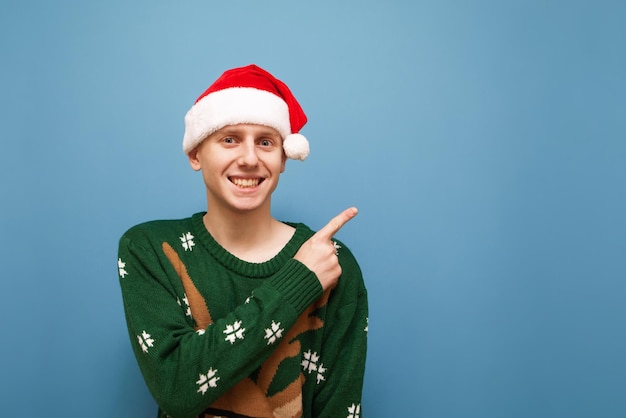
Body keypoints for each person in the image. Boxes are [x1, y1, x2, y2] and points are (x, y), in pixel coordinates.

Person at [117, 64, 368, 418]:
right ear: (195, 154)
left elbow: (339, 407)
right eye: (230, 139)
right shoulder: (149, 249)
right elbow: (176, 388)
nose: (250, 159)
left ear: (283, 158)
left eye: (266, 142)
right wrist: (299, 280)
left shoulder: (331, 260)